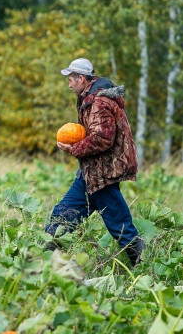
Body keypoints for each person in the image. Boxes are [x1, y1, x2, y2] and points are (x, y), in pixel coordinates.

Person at [45, 57, 145, 266]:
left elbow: (103, 138)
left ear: (81, 78)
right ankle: (43, 259)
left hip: (103, 174)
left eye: (71, 79)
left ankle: (144, 262)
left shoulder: (99, 101)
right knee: (63, 215)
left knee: (119, 225)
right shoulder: (89, 98)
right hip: (91, 172)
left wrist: (74, 148)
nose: (69, 84)